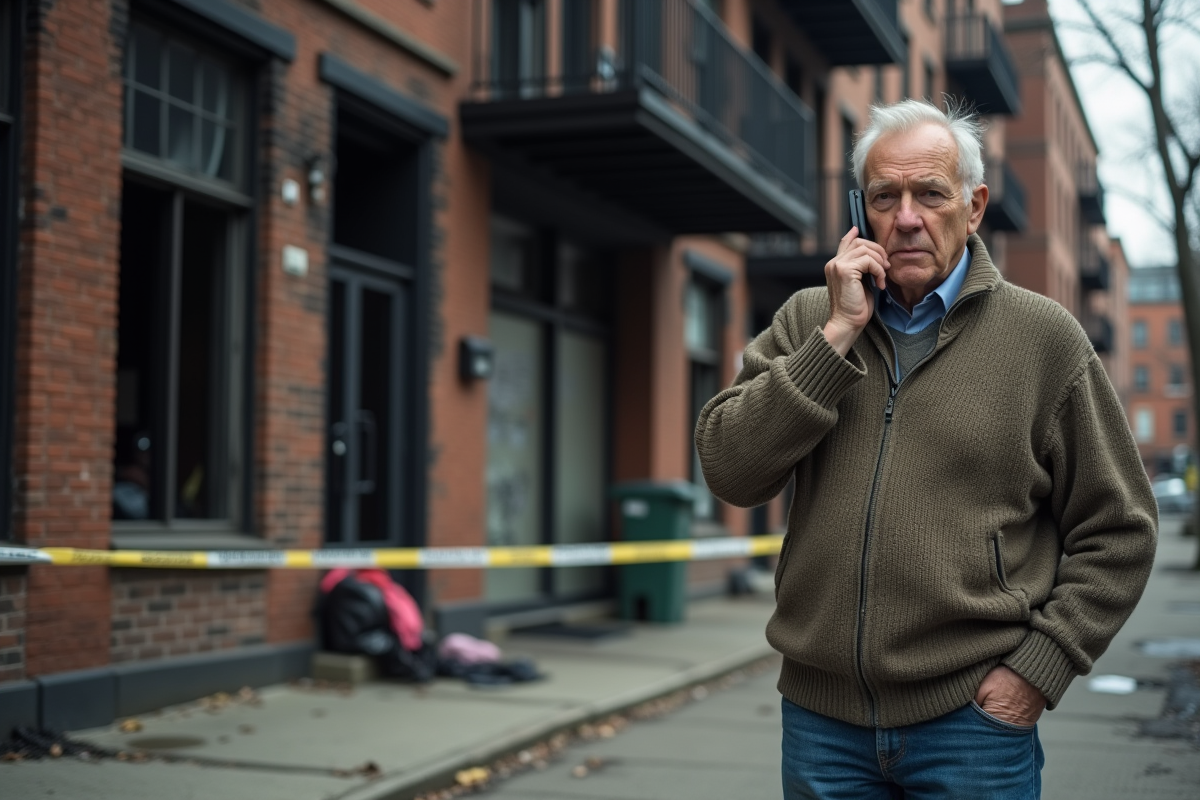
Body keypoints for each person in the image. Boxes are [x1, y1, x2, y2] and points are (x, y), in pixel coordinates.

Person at [695, 99, 1157, 799]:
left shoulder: (1044, 340)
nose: (905, 216)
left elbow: (1120, 531)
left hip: (972, 726)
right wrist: (836, 337)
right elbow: (730, 471)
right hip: (822, 726)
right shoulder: (807, 320)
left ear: (973, 208)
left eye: (930, 194)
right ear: (861, 209)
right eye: (885, 195)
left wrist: (1039, 668)